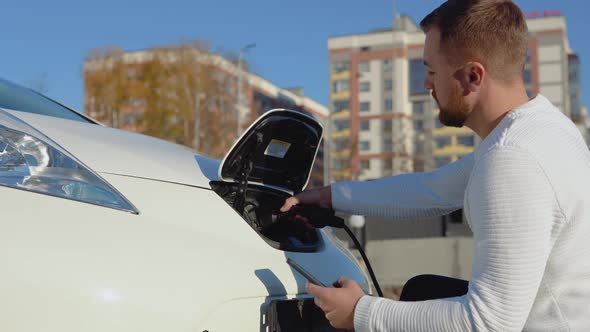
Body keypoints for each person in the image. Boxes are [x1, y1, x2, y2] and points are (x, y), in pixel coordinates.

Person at [280, 0, 590, 331]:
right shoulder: (542, 128)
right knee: (422, 290)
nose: (427, 84)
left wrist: (360, 313)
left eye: (431, 71)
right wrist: (330, 197)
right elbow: (431, 190)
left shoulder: (513, 159)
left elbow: (487, 322)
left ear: (473, 76)